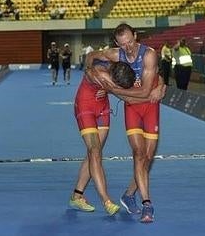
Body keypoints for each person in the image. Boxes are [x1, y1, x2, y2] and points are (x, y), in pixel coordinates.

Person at [85, 23, 166, 223]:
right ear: (117, 43)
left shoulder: (148, 55)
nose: (128, 47)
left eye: (130, 41)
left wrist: (112, 90)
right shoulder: (115, 54)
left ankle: (129, 195)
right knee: (138, 154)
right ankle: (147, 204)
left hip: (150, 106)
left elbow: (145, 93)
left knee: (148, 157)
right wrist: (91, 71)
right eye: (123, 44)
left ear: (136, 36)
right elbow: (91, 56)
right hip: (133, 109)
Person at [69, 60, 136, 215]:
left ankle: (76, 196)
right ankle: (106, 201)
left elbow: (120, 88)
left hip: (103, 108)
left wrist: (108, 90)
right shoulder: (99, 75)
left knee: (94, 153)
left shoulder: (113, 70)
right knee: (95, 152)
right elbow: (127, 97)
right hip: (85, 107)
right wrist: (111, 90)